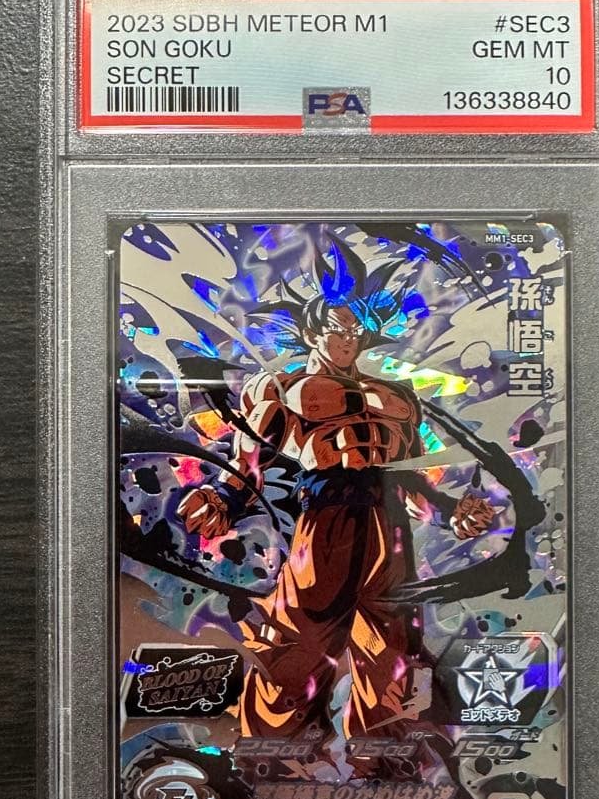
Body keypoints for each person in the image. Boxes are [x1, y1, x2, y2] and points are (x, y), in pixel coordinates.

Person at [178, 294, 499, 743]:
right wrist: (225, 499)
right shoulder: (282, 389)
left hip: (388, 527)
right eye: (338, 329)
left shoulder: (397, 398)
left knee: (396, 650)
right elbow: (250, 462)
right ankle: (275, 750)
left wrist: (449, 514)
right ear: (312, 333)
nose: (349, 340)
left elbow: (409, 478)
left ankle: (384, 756)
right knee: (298, 642)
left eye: (356, 331)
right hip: (328, 520)